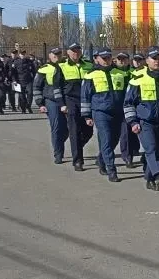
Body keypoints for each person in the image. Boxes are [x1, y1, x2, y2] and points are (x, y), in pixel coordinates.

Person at [124, 47, 159, 191]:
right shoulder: (138, 78)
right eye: (153, 58)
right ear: (147, 60)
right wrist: (133, 122)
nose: (157, 61)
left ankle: (150, 178)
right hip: (145, 121)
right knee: (151, 148)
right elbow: (128, 103)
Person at [81, 49, 129, 183]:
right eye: (103, 58)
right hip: (100, 112)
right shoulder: (90, 75)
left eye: (108, 57)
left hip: (118, 112)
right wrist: (87, 116)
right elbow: (85, 96)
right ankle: (111, 170)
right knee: (106, 139)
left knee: (114, 140)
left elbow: (127, 94)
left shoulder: (120, 73)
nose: (106, 60)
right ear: (97, 59)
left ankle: (101, 160)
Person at [55, 43, 93, 170]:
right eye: (73, 51)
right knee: (74, 130)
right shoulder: (62, 66)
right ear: (68, 52)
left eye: (78, 50)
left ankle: (77, 147)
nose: (76, 53)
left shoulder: (89, 65)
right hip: (71, 100)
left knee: (88, 131)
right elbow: (57, 87)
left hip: (86, 101)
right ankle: (78, 161)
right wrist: (61, 104)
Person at [33, 48, 68, 164]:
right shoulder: (44, 69)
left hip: (67, 100)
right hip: (51, 100)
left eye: (59, 54)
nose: (57, 56)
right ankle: (58, 154)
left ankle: (59, 143)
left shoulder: (66, 66)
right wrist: (40, 103)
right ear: (50, 56)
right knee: (56, 127)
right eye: (54, 54)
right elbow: (37, 86)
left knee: (67, 129)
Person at [113, 52, 138, 167]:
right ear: (116, 60)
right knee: (123, 133)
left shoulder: (134, 72)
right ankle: (127, 156)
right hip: (117, 106)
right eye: (120, 59)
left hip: (132, 105)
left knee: (130, 132)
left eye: (124, 59)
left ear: (129, 60)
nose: (122, 61)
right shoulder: (113, 73)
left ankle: (130, 153)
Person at [12, 50, 36, 114]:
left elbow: (33, 70)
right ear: (19, 55)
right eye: (21, 54)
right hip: (19, 81)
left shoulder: (29, 61)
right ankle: (23, 109)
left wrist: (33, 78)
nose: (23, 55)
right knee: (21, 96)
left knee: (30, 93)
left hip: (28, 80)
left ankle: (28, 106)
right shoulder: (16, 62)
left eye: (24, 54)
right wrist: (14, 80)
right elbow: (13, 73)